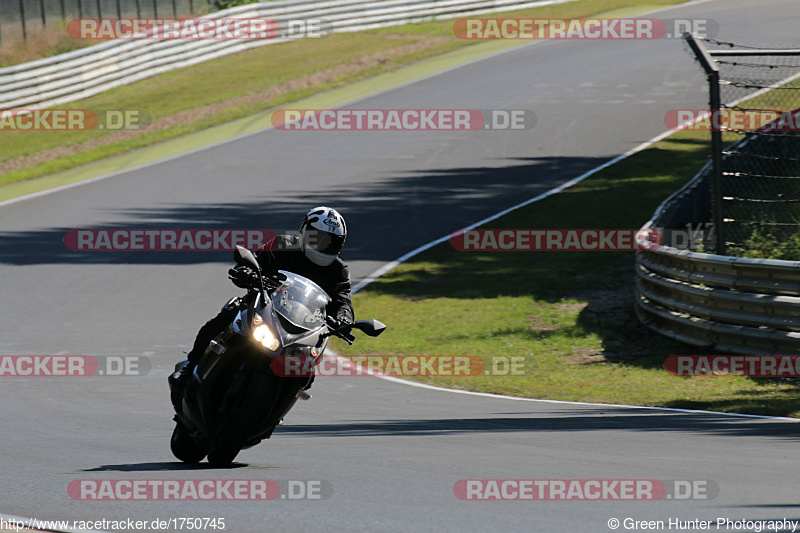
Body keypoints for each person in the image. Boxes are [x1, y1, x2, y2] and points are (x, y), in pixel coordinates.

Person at [170, 206, 354, 391]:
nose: (325, 245)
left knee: (306, 375)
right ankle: (190, 366)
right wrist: (247, 272)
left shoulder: (338, 271)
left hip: (303, 328)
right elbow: (257, 262)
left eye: (332, 242)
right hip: (264, 309)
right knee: (226, 317)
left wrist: (344, 319)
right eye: (320, 238)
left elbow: (343, 299)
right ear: (305, 232)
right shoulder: (282, 245)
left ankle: (280, 404)